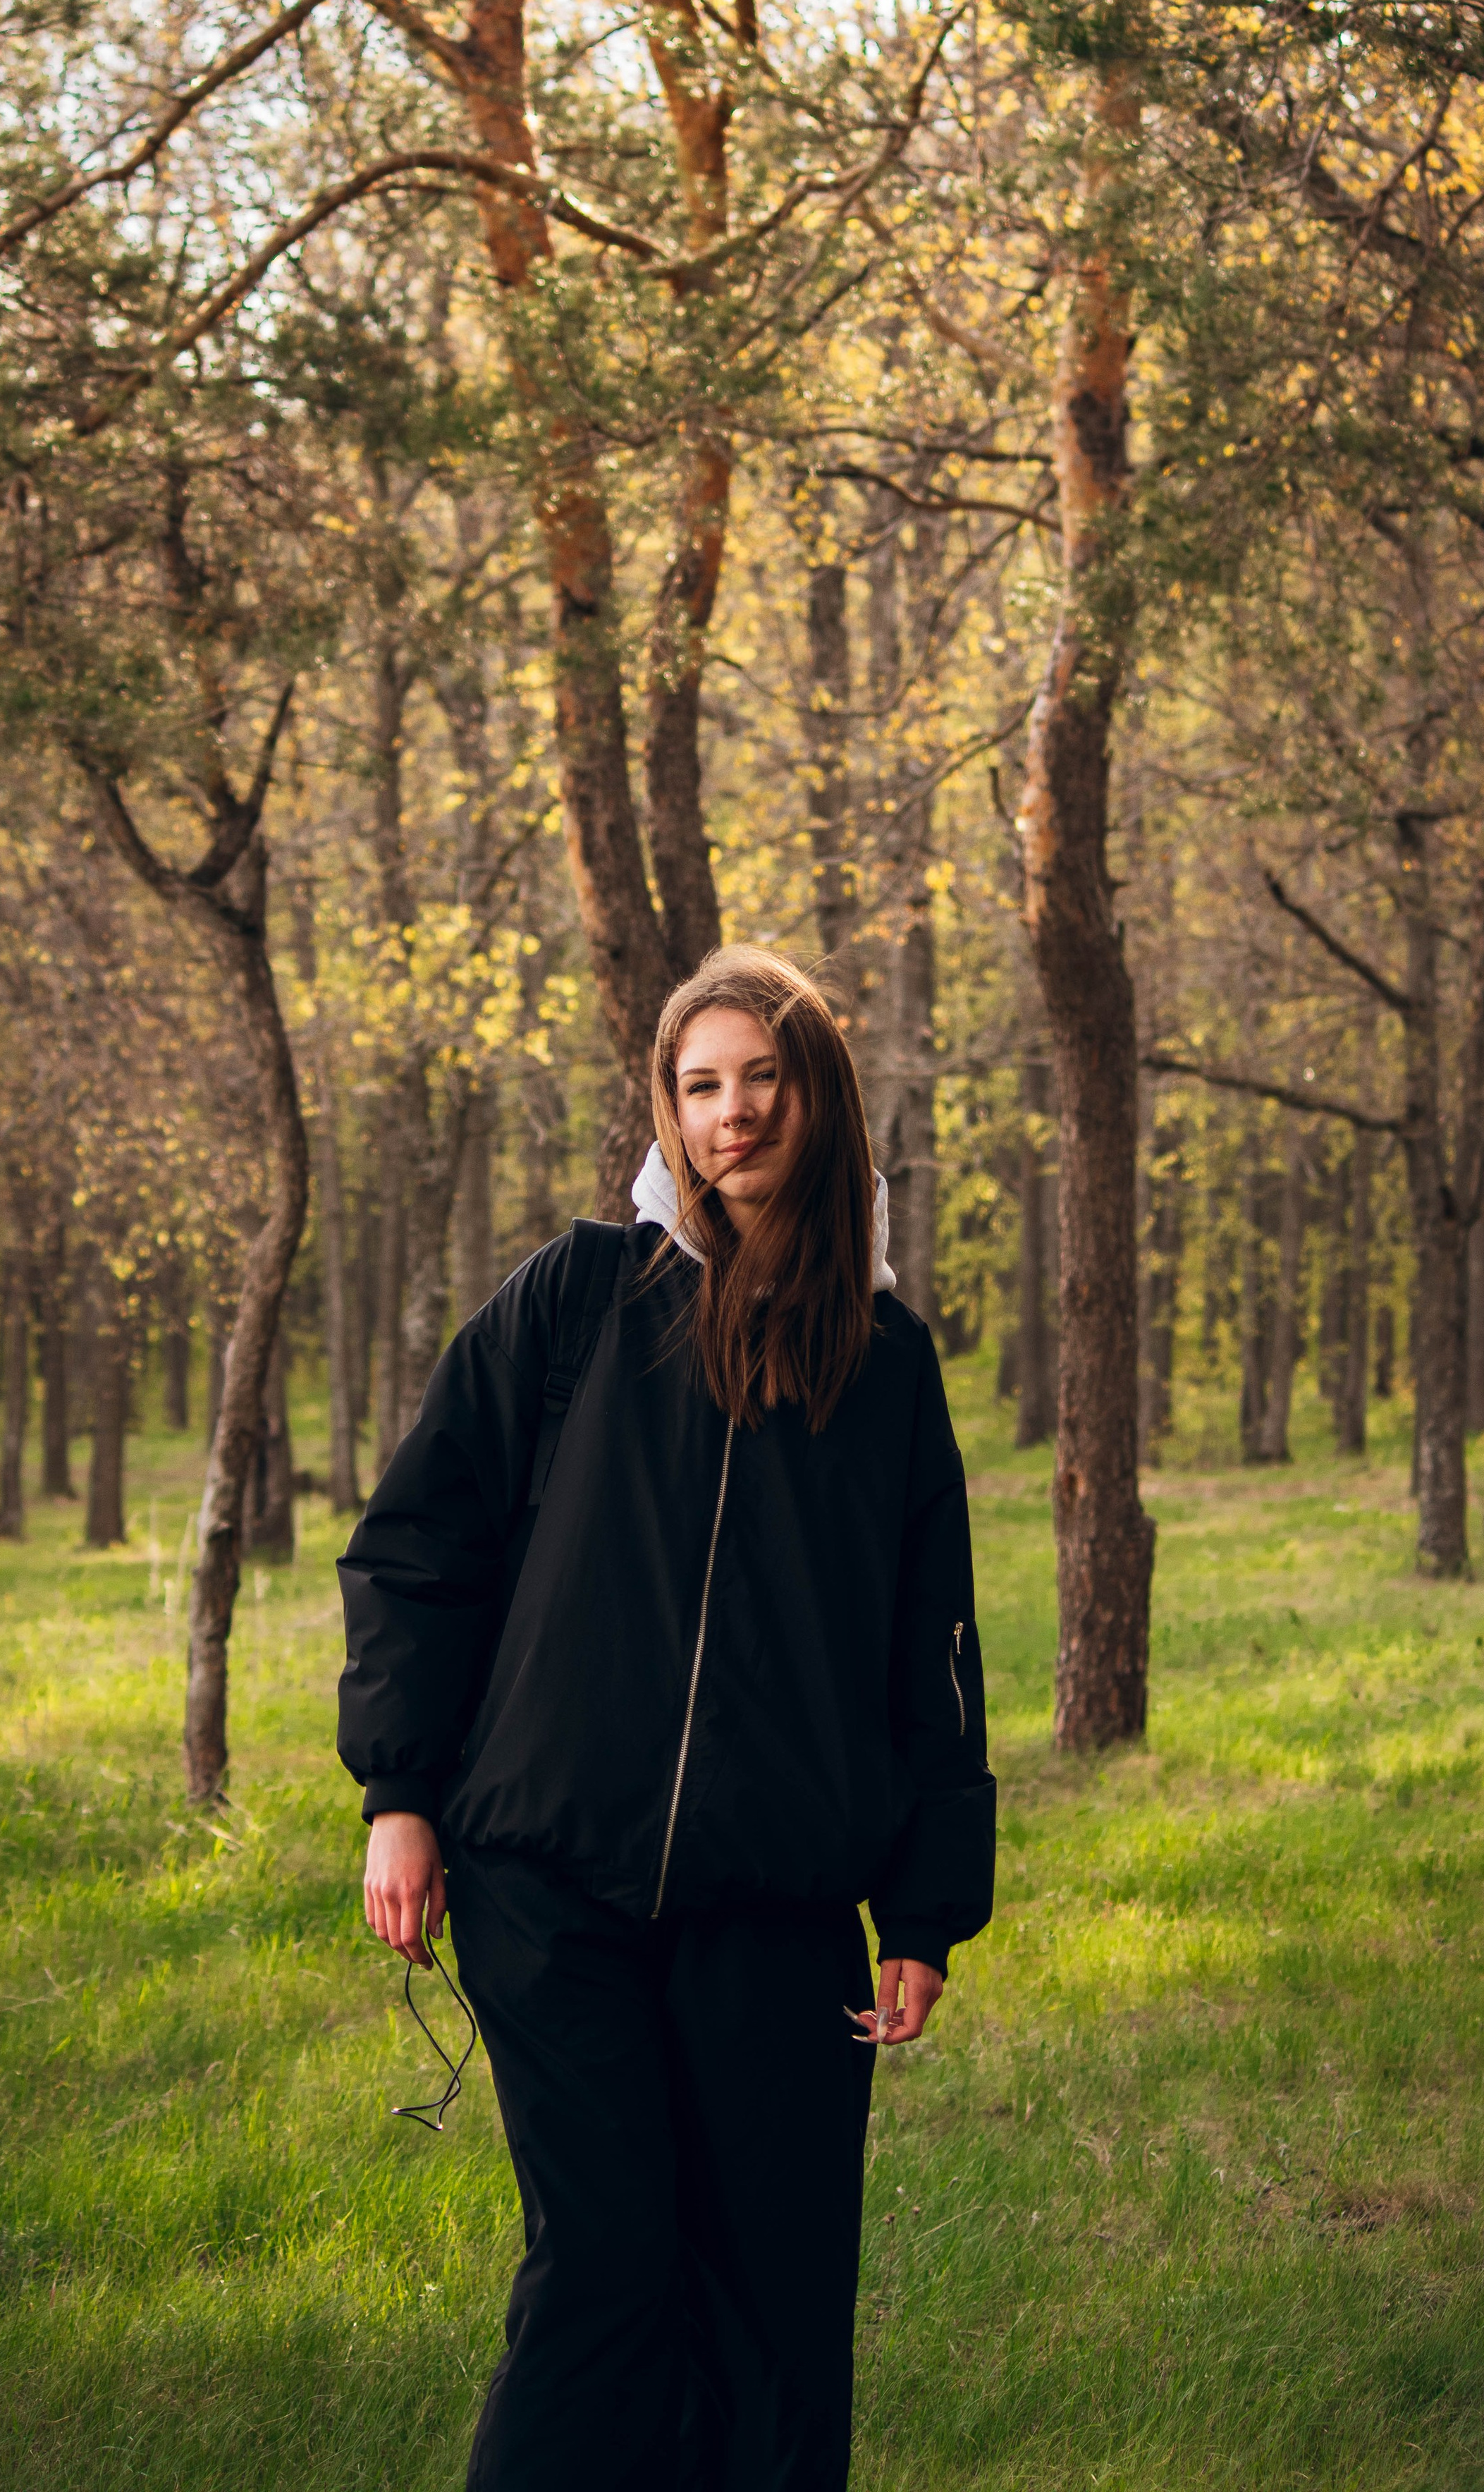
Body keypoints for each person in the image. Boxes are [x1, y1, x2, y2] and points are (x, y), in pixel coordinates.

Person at [336, 943, 996, 2492]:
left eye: (761, 1082)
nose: (731, 1116)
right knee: (607, 2268)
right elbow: (415, 1545)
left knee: (770, 2302)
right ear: (667, 1112)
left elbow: (930, 1648)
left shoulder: (886, 1363)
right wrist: (399, 1792)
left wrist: (923, 1906)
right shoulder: (578, 1297)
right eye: (700, 1087)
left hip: (773, 1907)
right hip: (546, 1885)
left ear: (816, 1100)